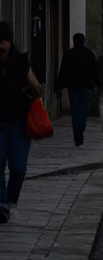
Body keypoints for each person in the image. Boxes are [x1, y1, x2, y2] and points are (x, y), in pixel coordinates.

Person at [0, 21, 42, 223]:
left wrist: (31, 89)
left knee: (18, 168)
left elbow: (37, 88)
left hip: (18, 121)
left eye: (3, 42)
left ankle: (10, 201)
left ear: (10, 41)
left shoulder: (20, 61)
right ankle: (1, 205)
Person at [56, 32, 98, 147]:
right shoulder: (89, 53)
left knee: (75, 110)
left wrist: (59, 85)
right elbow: (94, 70)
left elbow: (63, 70)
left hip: (73, 86)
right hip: (85, 86)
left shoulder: (69, 54)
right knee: (84, 110)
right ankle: (80, 131)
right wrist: (94, 84)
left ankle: (77, 133)